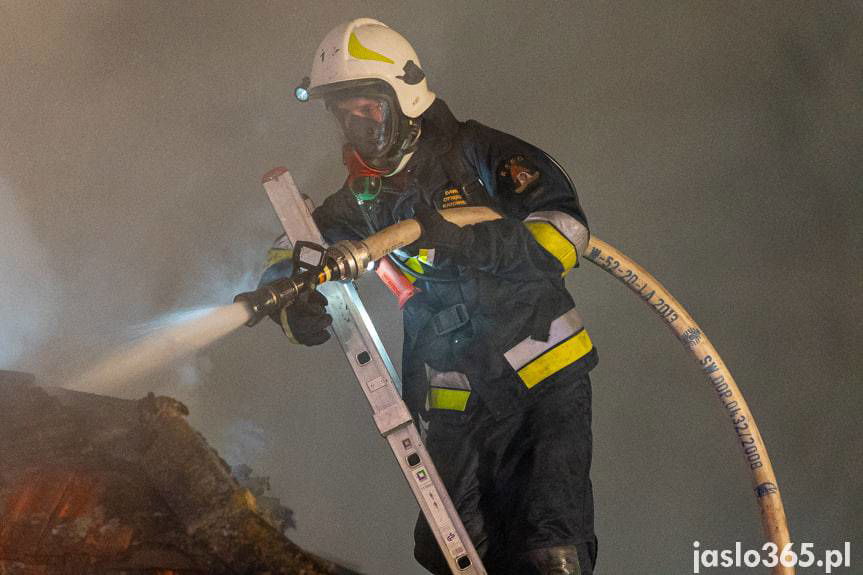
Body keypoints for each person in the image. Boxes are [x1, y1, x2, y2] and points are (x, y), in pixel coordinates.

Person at [260, 18, 599, 575]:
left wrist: (466, 240)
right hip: (453, 391)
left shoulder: (477, 154)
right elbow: (296, 248)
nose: (355, 123)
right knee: (449, 552)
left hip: (541, 375)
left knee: (549, 551)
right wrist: (290, 306)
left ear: (405, 95)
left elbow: (564, 231)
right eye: (341, 112)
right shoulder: (365, 197)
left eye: (367, 106)